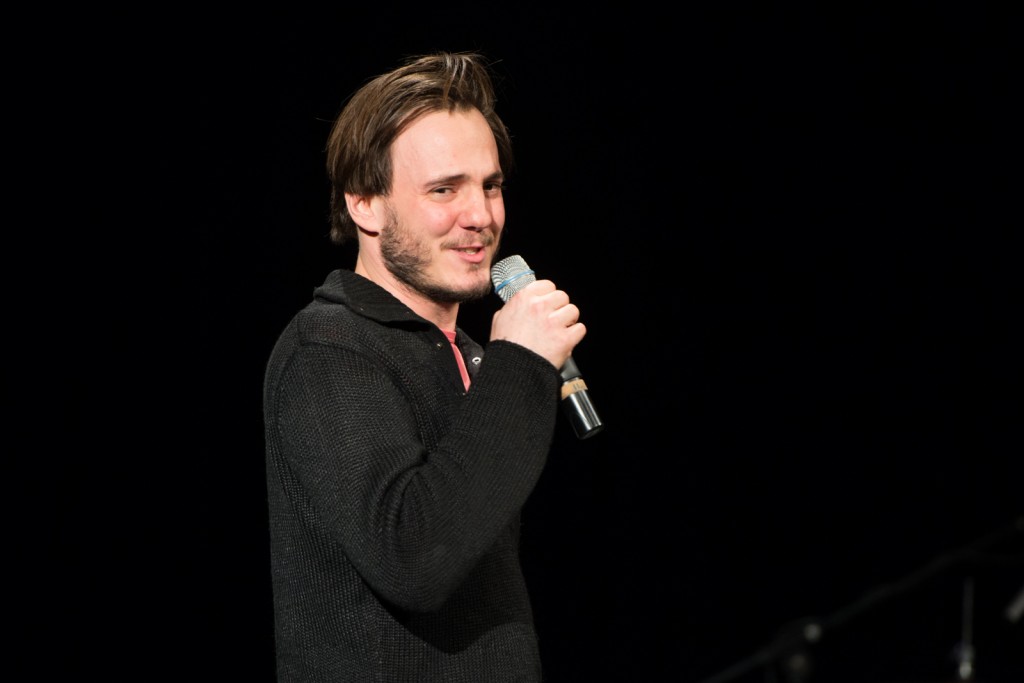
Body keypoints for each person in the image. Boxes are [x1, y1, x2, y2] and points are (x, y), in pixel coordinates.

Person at [262, 51, 588, 682]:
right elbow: (415, 559)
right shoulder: (327, 348)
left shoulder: (466, 352)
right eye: (444, 189)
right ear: (365, 204)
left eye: (490, 186)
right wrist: (520, 363)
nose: (481, 216)